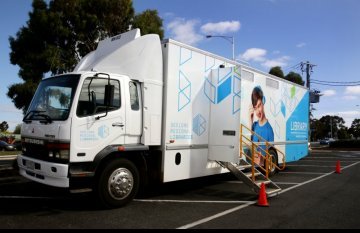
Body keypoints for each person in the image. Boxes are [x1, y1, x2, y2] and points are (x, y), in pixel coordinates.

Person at [248, 86, 274, 166]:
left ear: (263, 102)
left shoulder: (269, 130)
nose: (257, 111)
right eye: (255, 108)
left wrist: (261, 159)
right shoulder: (254, 125)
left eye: (259, 106)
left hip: (260, 164)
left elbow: (269, 152)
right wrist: (250, 119)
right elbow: (250, 144)